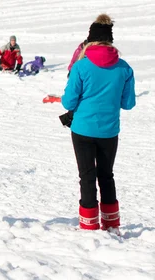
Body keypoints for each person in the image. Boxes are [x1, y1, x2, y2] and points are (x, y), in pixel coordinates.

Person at [61, 14, 135, 234]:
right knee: (106, 175)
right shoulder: (124, 68)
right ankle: (112, 224)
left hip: (83, 129)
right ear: (110, 41)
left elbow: (69, 101)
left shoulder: (81, 66)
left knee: (87, 176)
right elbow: (128, 103)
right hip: (109, 131)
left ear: (90, 41)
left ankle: (89, 225)